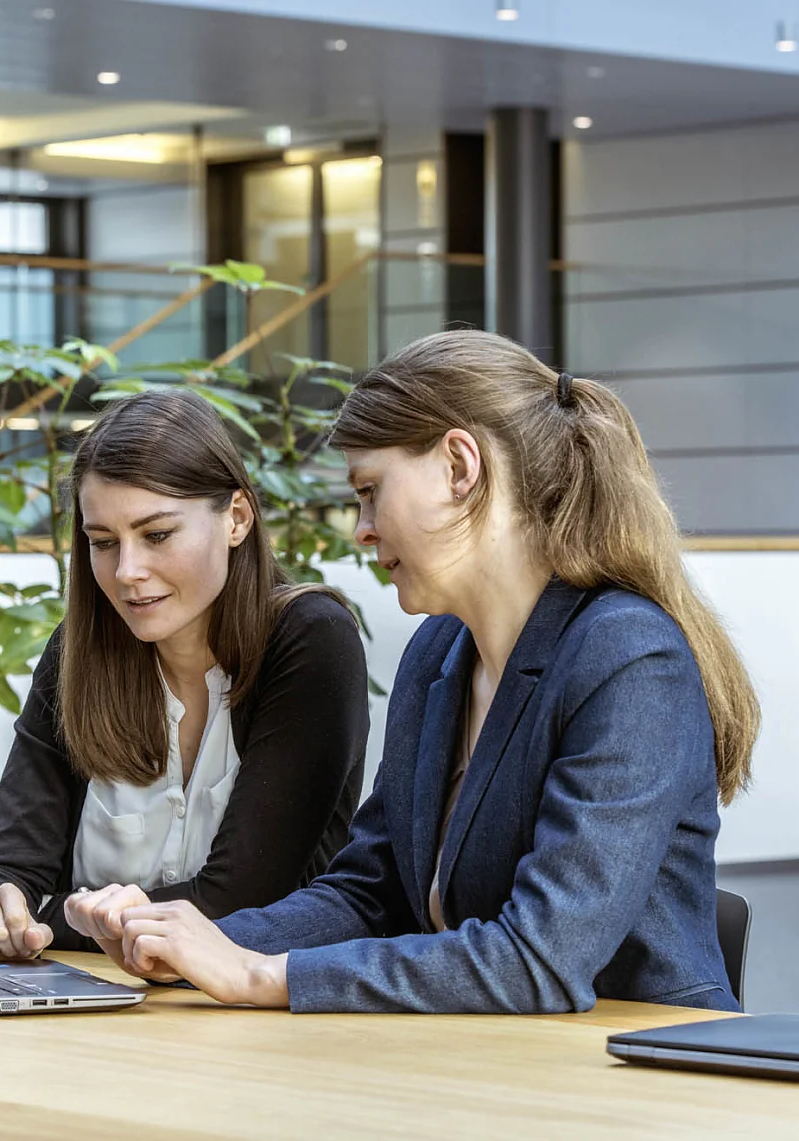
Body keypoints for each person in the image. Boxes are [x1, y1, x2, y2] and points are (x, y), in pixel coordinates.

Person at [65, 329, 760, 1014]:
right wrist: (191, 942)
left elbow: (540, 959)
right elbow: (371, 890)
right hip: (486, 1062)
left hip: (638, 1079)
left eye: (370, 490)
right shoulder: (437, 655)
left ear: (460, 466)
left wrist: (259, 973)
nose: (361, 528)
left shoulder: (629, 658)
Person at [0, 389, 369, 958]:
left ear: (237, 519)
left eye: (157, 535)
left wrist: (49, 917)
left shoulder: (311, 639)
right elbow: (2, 871)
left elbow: (235, 902)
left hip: (259, 1017)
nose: (127, 572)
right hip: (90, 1014)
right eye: (102, 543)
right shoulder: (78, 653)